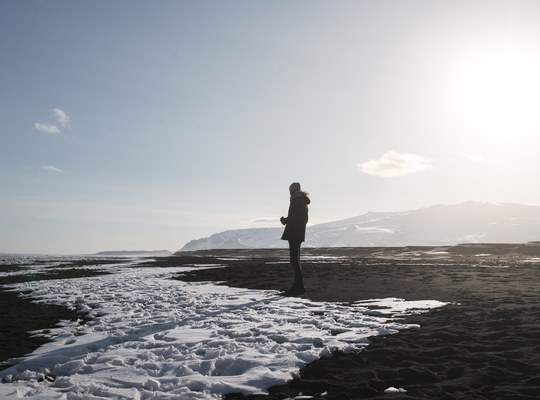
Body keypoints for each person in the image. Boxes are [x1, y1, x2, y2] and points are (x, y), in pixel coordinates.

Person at [280, 182, 310, 295]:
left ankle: (299, 286)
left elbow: (293, 217)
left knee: (294, 260)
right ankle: (298, 285)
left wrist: (285, 221)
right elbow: (303, 219)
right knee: (296, 259)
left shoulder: (296, 201)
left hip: (294, 233)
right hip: (299, 233)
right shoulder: (303, 202)